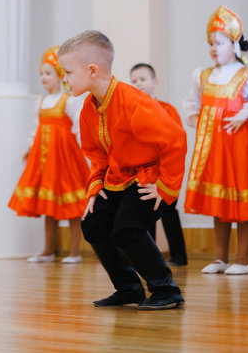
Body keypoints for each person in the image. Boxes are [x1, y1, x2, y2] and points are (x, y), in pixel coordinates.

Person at [58, 30, 187, 310]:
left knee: (127, 229)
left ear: (92, 71)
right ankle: (128, 288)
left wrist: (165, 186)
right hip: (114, 179)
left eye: (67, 72)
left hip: (145, 177)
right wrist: (95, 186)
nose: (64, 79)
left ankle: (166, 289)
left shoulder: (135, 103)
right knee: (93, 225)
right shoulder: (87, 109)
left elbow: (175, 139)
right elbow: (97, 156)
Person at [183, 6, 248, 275]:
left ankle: (242, 259)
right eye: (210, 43)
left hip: (241, 145)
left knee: (243, 200)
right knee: (218, 200)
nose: (213, 48)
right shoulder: (203, 76)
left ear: (234, 45)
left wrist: (246, 112)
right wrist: (198, 120)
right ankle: (220, 258)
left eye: (219, 42)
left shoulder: (247, 76)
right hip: (214, 147)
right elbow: (191, 103)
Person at [8, 46, 89, 263]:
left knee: (73, 207)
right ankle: (48, 251)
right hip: (44, 159)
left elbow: (78, 128)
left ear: (60, 75)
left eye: (48, 73)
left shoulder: (69, 100)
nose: (43, 78)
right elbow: (36, 129)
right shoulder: (40, 102)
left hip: (65, 158)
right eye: (41, 74)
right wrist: (29, 147)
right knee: (48, 206)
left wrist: (83, 151)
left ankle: (74, 252)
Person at [130, 63, 188, 266]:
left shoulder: (167, 110)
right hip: (143, 173)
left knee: (168, 211)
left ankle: (179, 256)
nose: (138, 83)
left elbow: (176, 142)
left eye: (142, 79)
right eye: (134, 81)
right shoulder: (131, 111)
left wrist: (167, 176)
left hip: (165, 171)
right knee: (146, 214)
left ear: (154, 82)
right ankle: (151, 258)